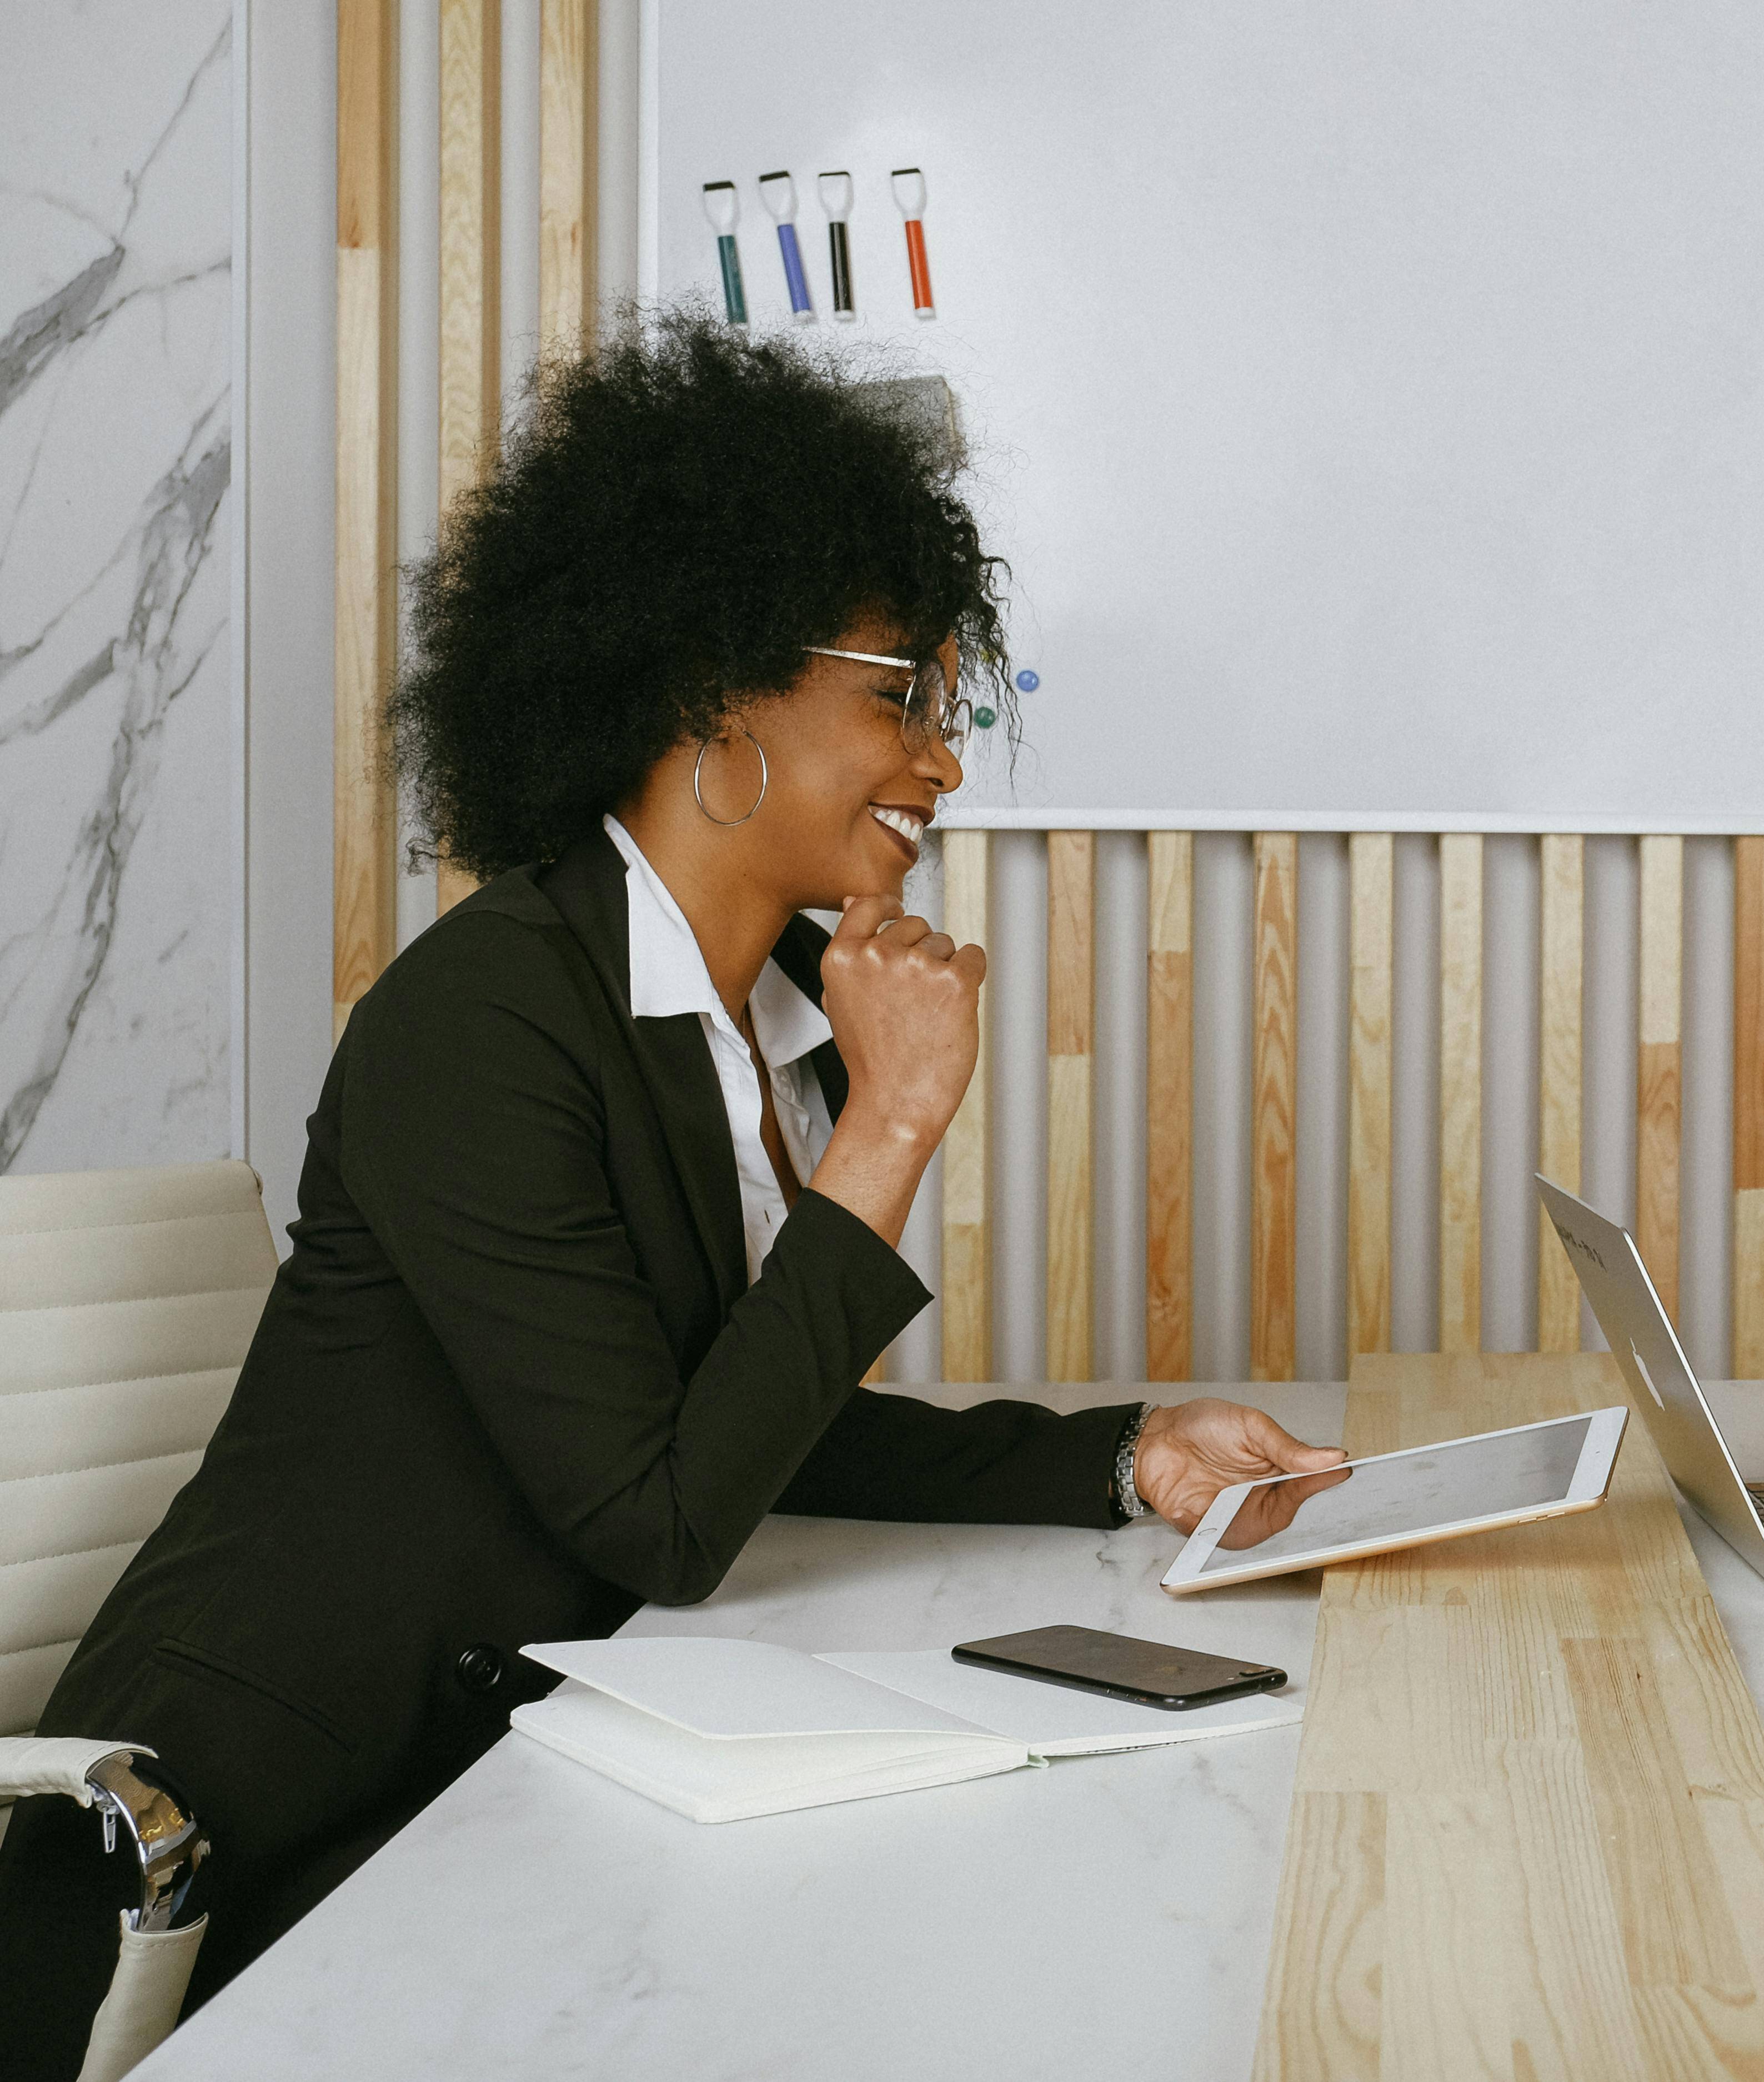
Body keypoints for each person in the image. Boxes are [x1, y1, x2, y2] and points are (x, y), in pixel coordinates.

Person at [0, 315, 1345, 2076]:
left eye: (952, 704)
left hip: (505, 1786)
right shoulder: (485, 1014)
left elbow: (737, 1422)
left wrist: (1123, 1446)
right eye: (897, 696)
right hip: (245, 1850)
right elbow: (660, 1513)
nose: (944, 759)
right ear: (715, 689)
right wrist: (893, 1127)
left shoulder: (743, 1018)